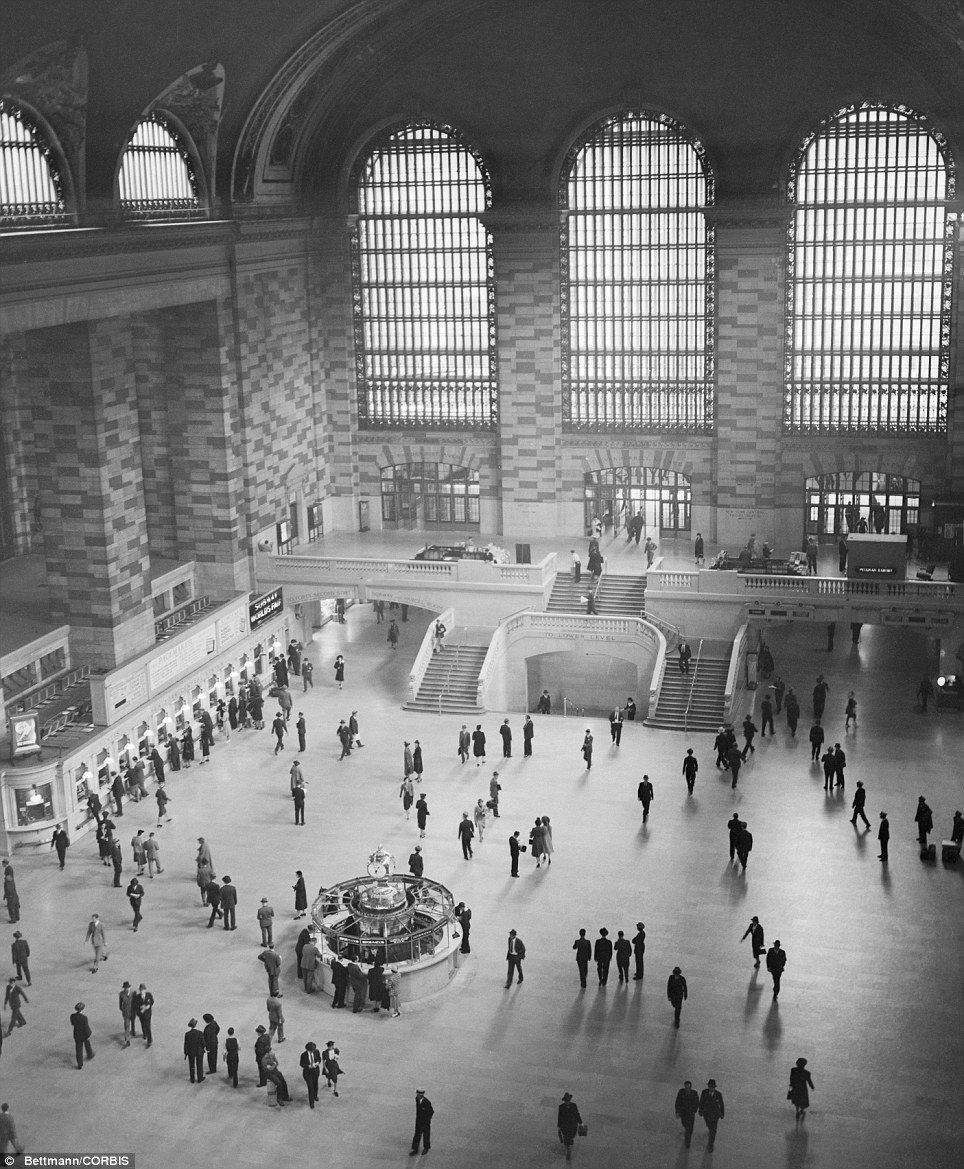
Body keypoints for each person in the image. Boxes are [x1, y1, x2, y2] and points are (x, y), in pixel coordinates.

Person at [698, 1079, 725, 1151]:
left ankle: (710, 1145)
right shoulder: (704, 1092)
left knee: (713, 1130)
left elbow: (722, 1105)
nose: (711, 1088)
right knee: (709, 1126)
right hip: (706, 1114)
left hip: (715, 1115)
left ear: (714, 1087)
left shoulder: (718, 1094)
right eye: (709, 1086)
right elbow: (701, 1102)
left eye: (712, 1087)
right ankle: (710, 1132)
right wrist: (700, 1110)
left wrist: (722, 1113)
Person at [557, 1092, 583, 1162]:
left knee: (570, 1136)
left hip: (571, 1125)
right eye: (566, 1100)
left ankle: (568, 1148)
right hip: (567, 1125)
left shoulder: (571, 1106)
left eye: (568, 1100)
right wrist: (559, 1126)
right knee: (567, 1136)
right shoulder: (563, 1107)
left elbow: (577, 1114)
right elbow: (560, 1117)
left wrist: (580, 1122)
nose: (567, 1102)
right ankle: (568, 1148)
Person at [675, 1080, 700, 1148]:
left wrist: (694, 1111)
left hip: (691, 1114)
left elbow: (697, 1103)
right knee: (684, 1124)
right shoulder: (681, 1092)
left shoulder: (694, 1093)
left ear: (690, 1087)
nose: (687, 1089)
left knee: (690, 1129)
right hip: (683, 1113)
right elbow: (677, 1102)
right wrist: (677, 1112)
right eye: (686, 1087)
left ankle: (687, 1142)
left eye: (688, 1087)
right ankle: (687, 1132)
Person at [789, 1057, 815, 1122]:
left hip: (795, 1087)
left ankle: (797, 1111)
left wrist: (791, 1084)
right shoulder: (807, 1073)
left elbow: (791, 1078)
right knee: (803, 1100)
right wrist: (812, 1087)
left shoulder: (793, 1070)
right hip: (803, 1088)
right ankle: (802, 1110)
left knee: (796, 1100)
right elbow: (809, 1081)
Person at [70, 1002, 94, 1069]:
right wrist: (88, 1034)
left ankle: (79, 1064)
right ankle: (90, 1054)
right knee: (87, 1043)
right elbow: (86, 1027)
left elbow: (72, 1023)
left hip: (77, 1034)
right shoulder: (84, 1018)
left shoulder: (72, 1016)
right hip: (84, 1034)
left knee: (78, 1049)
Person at [410, 1089, 434, 1157]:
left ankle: (426, 1148)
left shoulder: (427, 1102)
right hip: (418, 1121)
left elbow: (431, 1112)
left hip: (425, 1122)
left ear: (420, 1095)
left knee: (426, 1135)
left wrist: (427, 1120)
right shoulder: (417, 1099)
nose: (416, 1095)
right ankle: (415, 1149)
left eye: (417, 1094)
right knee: (417, 1134)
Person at [301, 1042, 322, 1108]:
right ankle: (311, 1102)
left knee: (315, 1085)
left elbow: (319, 1058)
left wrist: (317, 1063)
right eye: (311, 1050)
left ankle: (315, 1096)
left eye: (314, 1049)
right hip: (308, 1073)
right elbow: (301, 1064)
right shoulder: (303, 1055)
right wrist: (308, 1066)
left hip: (315, 1071)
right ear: (308, 1050)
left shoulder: (316, 1051)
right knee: (310, 1087)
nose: (313, 1051)